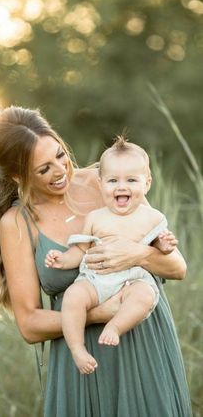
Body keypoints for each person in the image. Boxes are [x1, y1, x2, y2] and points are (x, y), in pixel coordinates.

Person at [0, 106, 192, 417]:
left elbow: (177, 267)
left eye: (60, 155)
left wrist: (139, 254)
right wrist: (98, 314)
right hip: (82, 361)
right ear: (17, 175)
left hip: (145, 340)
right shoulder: (17, 223)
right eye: (43, 169)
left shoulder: (107, 182)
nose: (60, 170)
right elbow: (29, 324)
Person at [45, 136, 178, 374]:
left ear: (147, 183)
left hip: (133, 280)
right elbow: (81, 251)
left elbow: (161, 248)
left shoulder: (152, 217)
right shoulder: (96, 217)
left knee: (144, 295)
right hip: (96, 280)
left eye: (131, 180)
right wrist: (62, 260)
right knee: (74, 296)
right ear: (100, 183)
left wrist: (165, 245)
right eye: (113, 180)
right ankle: (77, 349)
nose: (121, 187)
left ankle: (116, 327)